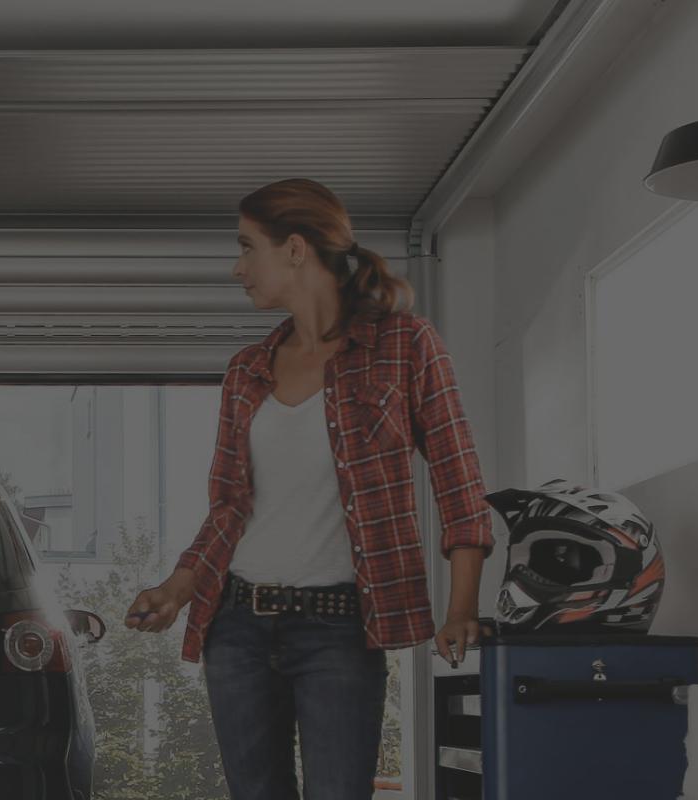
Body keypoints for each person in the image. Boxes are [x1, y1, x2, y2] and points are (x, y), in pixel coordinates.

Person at [125, 178, 494, 800]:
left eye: (248, 247)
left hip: (340, 630)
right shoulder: (247, 369)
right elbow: (228, 509)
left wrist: (460, 610)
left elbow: (459, 483)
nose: (237, 267)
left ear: (295, 248)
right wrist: (174, 590)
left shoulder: (406, 346)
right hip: (236, 626)